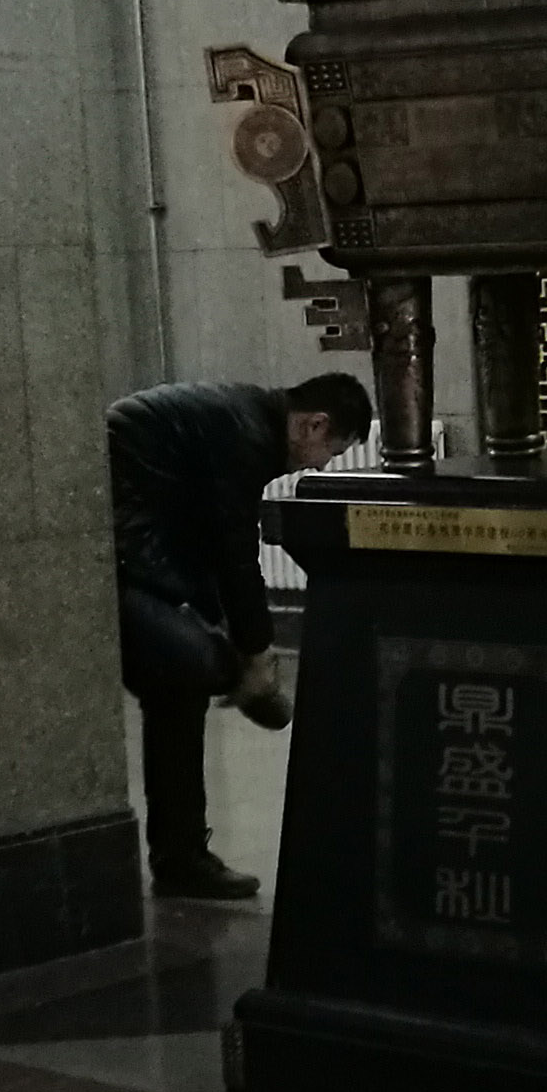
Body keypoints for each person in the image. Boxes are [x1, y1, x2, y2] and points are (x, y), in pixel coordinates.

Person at [108, 371, 371, 900]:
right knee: (194, 668)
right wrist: (255, 653)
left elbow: (207, 539)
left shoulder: (244, 417)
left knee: (180, 687)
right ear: (313, 424)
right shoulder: (247, 436)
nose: (321, 465)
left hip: (134, 543)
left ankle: (181, 856)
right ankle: (180, 856)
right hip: (118, 552)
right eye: (331, 450)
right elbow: (234, 553)